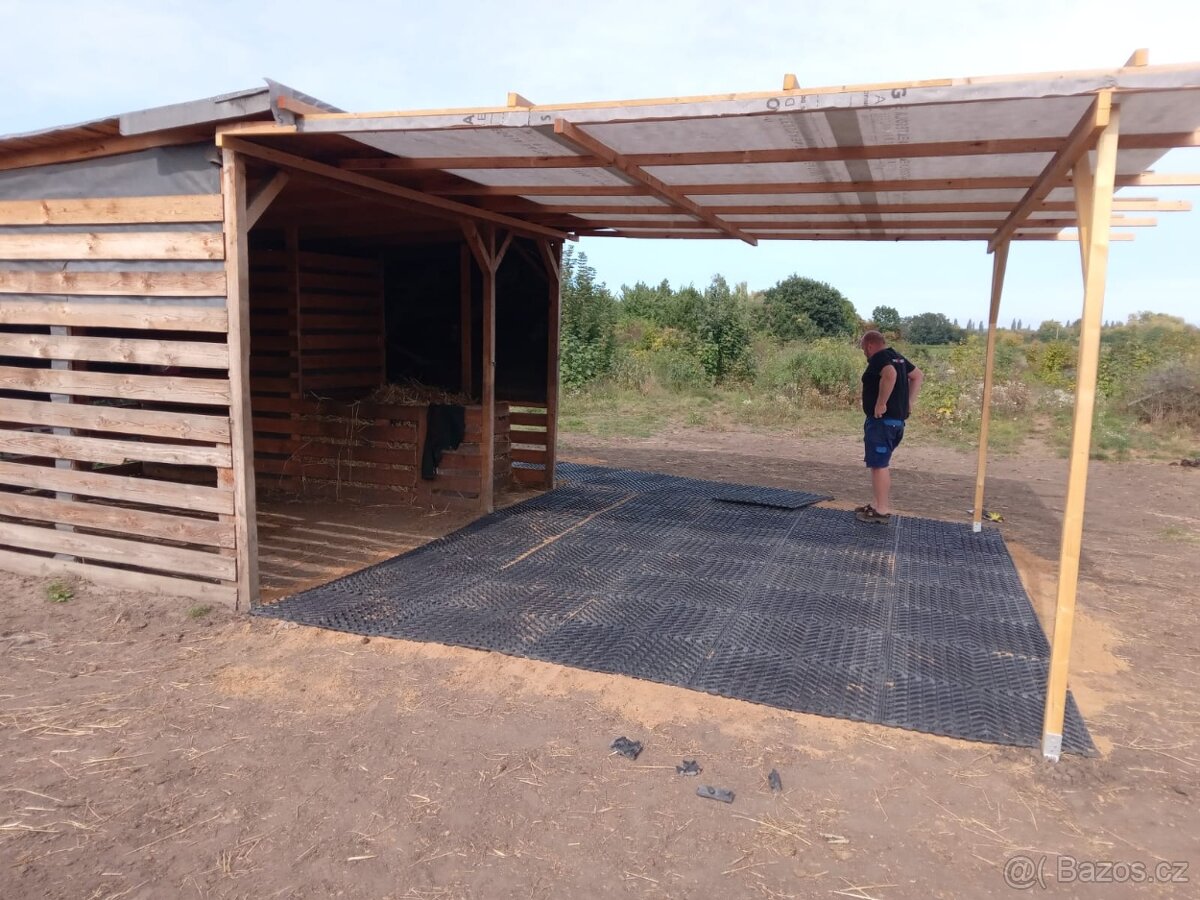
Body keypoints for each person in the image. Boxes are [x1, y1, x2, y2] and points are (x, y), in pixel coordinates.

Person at [856, 330, 923, 524]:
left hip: (882, 422)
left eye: (863, 349)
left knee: (879, 466)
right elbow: (917, 376)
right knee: (878, 463)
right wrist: (909, 402)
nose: (864, 353)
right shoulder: (897, 357)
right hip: (895, 423)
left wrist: (881, 403)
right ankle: (877, 504)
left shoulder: (879, 358)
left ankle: (882, 510)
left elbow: (890, 374)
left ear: (869, 345)